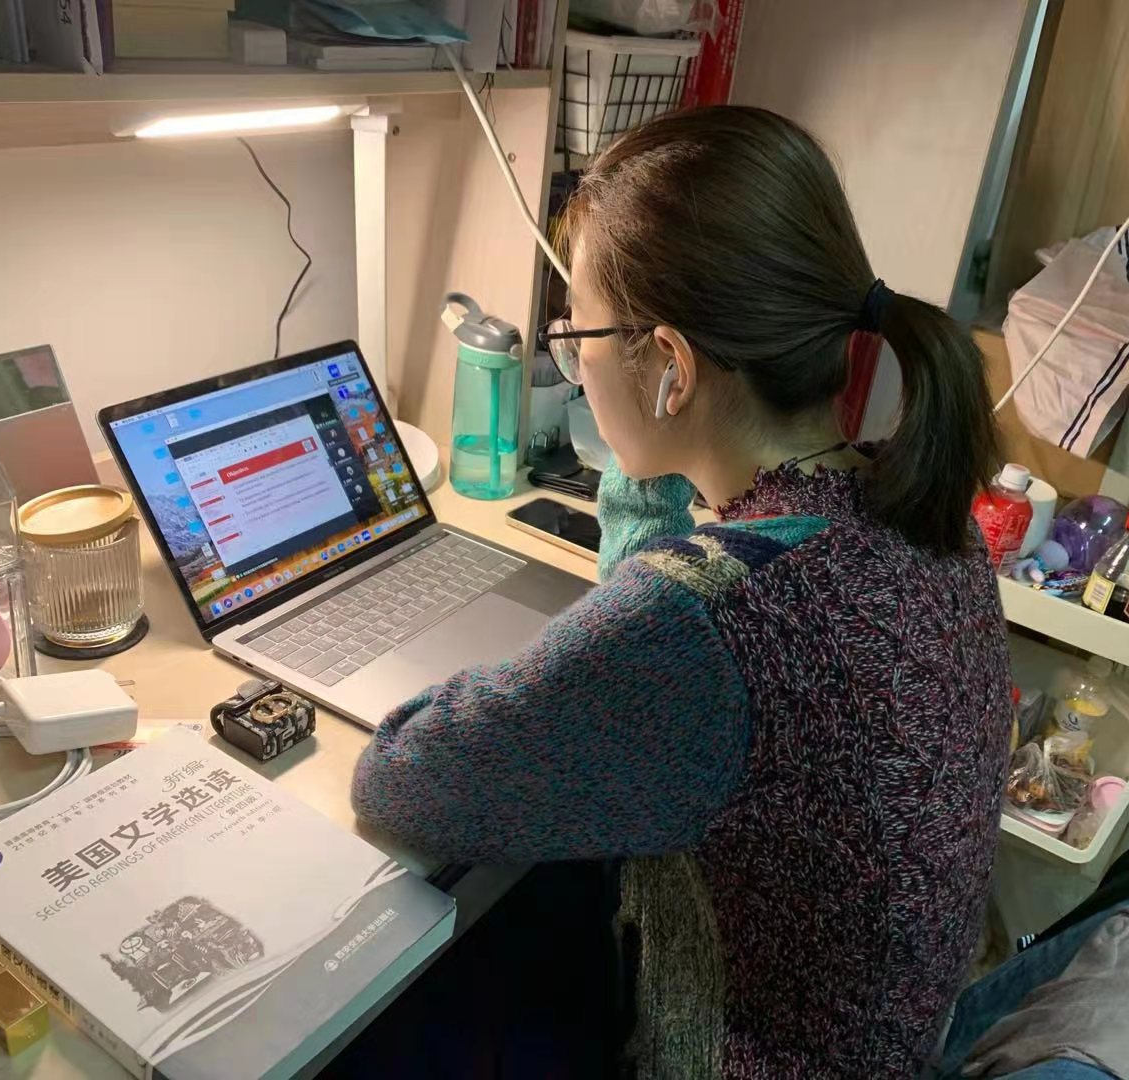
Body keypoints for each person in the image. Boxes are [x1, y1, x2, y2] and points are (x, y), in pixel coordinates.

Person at [353, 106, 1011, 1078]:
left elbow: (403, 782)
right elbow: (666, 611)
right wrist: (659, 455)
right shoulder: (922, 515)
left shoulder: (710, 620)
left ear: (671, 364)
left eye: (578, 331)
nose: (572, 359)